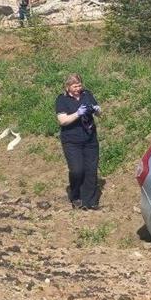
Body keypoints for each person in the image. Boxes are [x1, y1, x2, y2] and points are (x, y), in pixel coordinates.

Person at [55, 73, 102, 210]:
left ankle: (90, 201)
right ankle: (75, 195)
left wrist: (97, 110)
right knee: (77, 170)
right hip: (71, 141)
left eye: (79, 85)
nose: (78, 88)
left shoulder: (87, 94)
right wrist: (78, 113)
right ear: (68, 87)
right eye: (75, 86)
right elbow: (63, 120)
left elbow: (98, 112)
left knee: (91, 170)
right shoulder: (62, 100)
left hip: (90, 138)